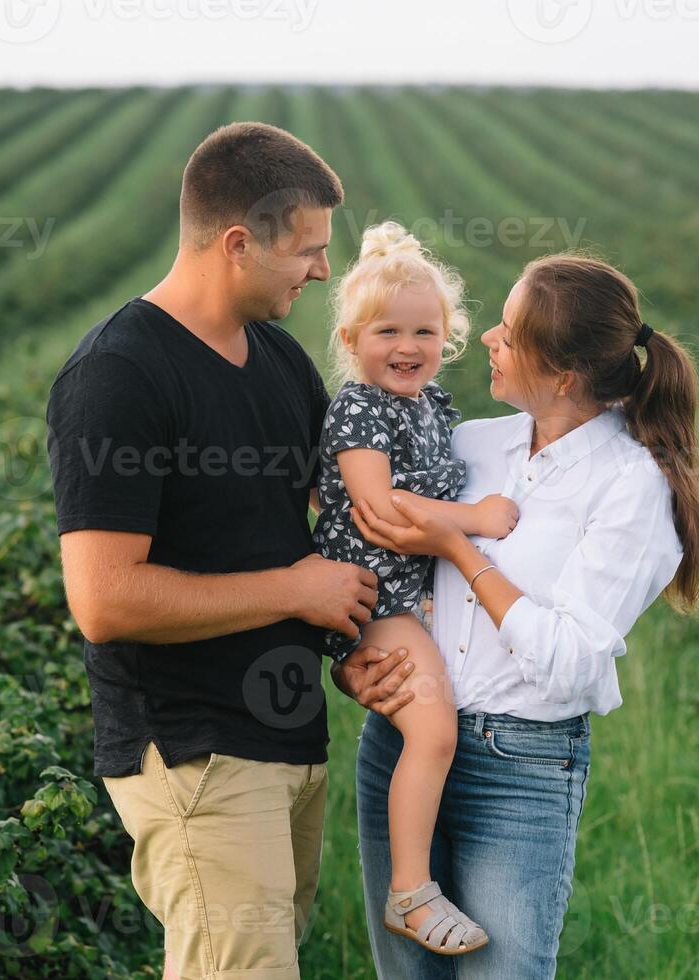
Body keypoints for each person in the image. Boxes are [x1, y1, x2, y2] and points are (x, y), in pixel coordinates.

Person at [44, 121, 412, 980]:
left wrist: (352, 639)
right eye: (309, 251)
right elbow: (105, 600)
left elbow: (331, 530)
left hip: (289, 737)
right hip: (193, 749)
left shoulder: (279, 360)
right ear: (239, 243)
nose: (323, 271)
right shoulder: (118, 376)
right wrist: (293, 590)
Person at [344, 253, 699, 979]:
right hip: (401, 741)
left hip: (517, 770)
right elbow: (380, 553)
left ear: (563, 377)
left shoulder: (630, 489)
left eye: (510, 334)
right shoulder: (475, 443)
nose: (486, 337)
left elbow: (571, 657)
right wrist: (359, 666)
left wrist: (460, 546)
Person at [311, 221, 521, 955]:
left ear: (448, 337)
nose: (408, 347)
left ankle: (426, 876)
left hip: (416, 592)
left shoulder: (432, 406)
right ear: (351, 339)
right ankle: (411, 893)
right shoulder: (360, 406)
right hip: (376, 595)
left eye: (425, 331)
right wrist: (477, 521)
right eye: (388, 331)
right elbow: (379, 509)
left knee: (429, 731)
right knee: (434, 728)